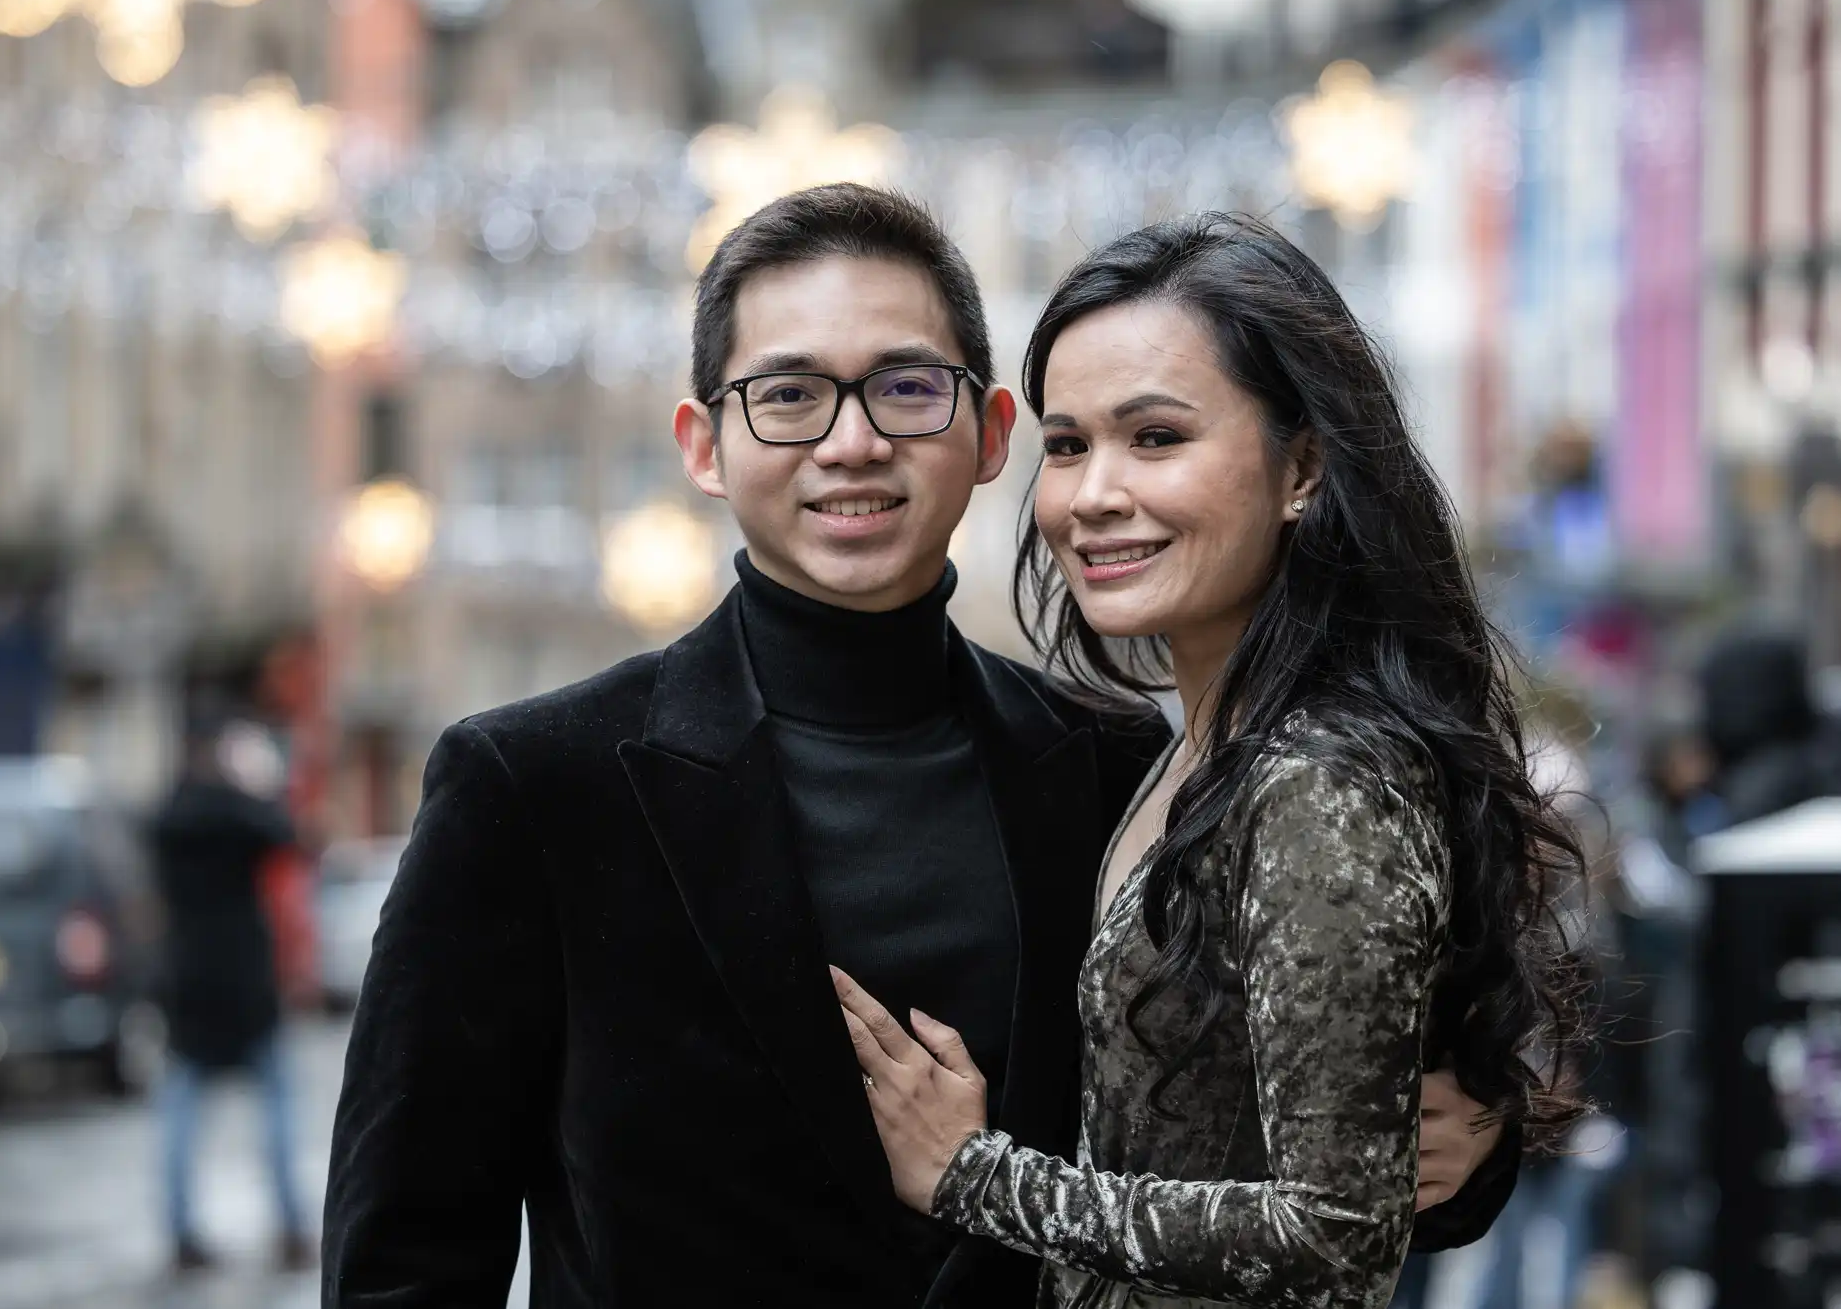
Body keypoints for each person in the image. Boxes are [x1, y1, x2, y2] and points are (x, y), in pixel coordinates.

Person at [322, 186, 1514, 1309]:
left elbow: (1278, 1159)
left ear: (991, 433)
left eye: (903, 387)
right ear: (701, 444)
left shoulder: (1115, 765)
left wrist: (1474, 1140)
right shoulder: (533, 784)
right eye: (787, 394)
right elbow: (408, 1252)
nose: (849, 443)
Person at [832, 213, 1588, 1307]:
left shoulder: (1318, 777)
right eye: (1067, 444)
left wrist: (976, 1176)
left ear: (1303, 467)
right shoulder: (1186, 745)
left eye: (1154, 438)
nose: (1092, 494)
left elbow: (1333, 1235)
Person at [148, 712, 311, 1274]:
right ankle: (290, 1227)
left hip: (187, 979)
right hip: (245, 979)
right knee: (277, 1112)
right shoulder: (242, 813)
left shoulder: (169, 816)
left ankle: (179, 1230)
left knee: (180, 1116)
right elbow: (290, 834)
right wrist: (260, 784)